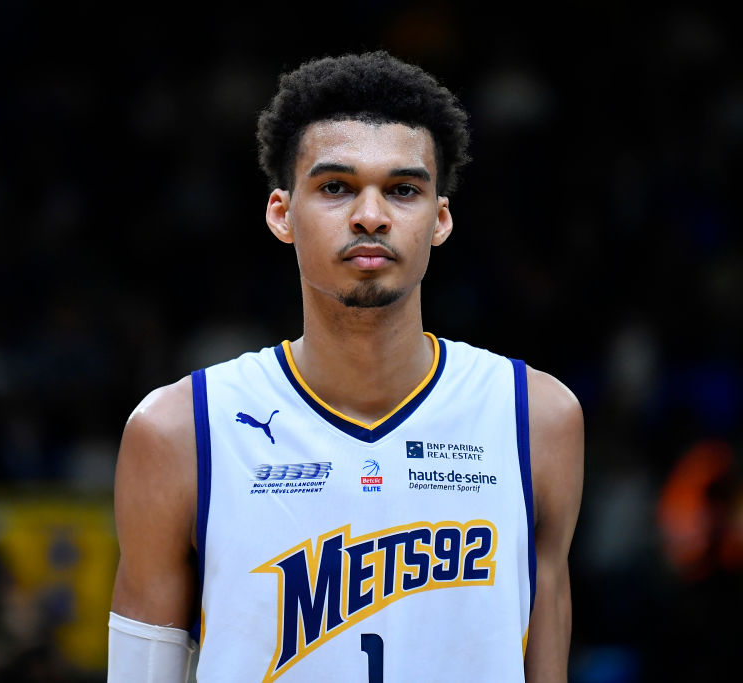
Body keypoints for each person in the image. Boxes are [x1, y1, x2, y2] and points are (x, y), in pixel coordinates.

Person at [108, 50, 583, 682]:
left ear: (439, 219)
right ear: (282, 213)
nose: (370, 215)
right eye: (336, 187)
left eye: (403, 190)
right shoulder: (178, 431)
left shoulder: (538, 417)